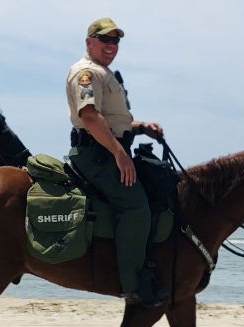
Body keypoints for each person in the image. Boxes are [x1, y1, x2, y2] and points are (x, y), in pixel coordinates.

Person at [66, 18, 169, 307]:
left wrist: (141, 127)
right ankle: (133, 286)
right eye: (105, 40)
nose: (111, 46)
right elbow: (90, 117)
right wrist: (119, 154)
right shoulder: (87, 73)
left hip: (107, 148)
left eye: (116, 41)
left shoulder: (103, 73)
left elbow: (112, 120)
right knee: (135, 208)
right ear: (89, 42)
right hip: (98, 154)